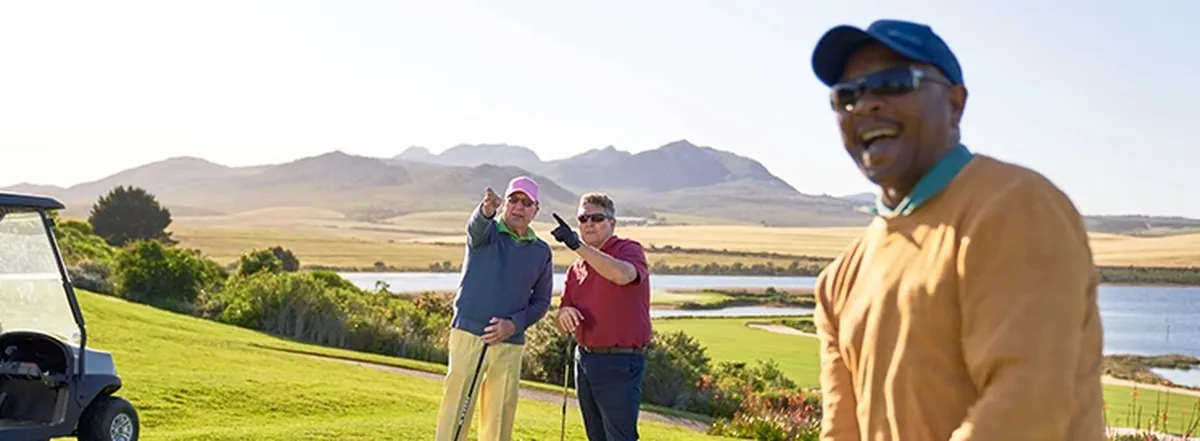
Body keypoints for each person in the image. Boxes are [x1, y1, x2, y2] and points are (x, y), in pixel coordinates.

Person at [807, 19, 1105, 441]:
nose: (867, 104)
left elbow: (1023, 408)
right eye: (847, 95)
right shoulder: (838, 280)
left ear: (955, 103)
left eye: (893, 83)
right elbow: (841, 431)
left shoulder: (1016, 207)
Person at [434, 175, 555, 441]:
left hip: (510, 342)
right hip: (469, 333)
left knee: (499, 415)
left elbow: (541, 302)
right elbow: (475, 227)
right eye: (513, 200)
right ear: (505, 204)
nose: (519, 208)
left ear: (536, 210)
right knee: (456, 408)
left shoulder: (541, 251)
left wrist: (513, 324)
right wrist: (486, 210)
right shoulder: (486, 233)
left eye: (526, 203)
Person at [549, 192, 651, 441]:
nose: (589, 224)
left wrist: (577, 246)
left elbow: (623, 275)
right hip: (584, 359)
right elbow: (563, 312)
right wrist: (565, 314)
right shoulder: (576, 268)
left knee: (620, 437)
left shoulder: (628, 249)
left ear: (612, 223)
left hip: (619, 361)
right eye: (583, 219)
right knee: (596, 436)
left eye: (596, 218)